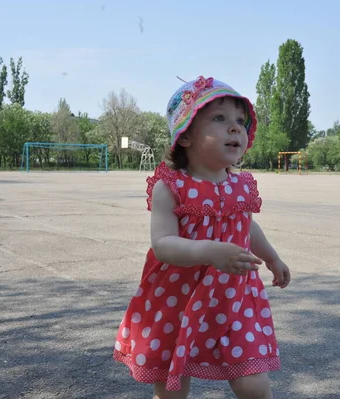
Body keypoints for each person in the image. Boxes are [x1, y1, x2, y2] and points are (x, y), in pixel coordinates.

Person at [113, 75, 291, 399]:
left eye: (240, 120)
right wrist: (209, 251)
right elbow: (162, 244)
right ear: (184, 137)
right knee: (171, 388)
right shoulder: (171, 186)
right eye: (220, 118)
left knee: (255, 386)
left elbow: (246, 226)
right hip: (178, 298)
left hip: (235, 298)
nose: (235, 127)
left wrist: (272, 258)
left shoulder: (240, 186)